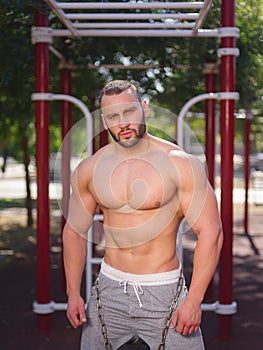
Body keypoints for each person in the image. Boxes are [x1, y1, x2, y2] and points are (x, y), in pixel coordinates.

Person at [62, 80, 223, 350]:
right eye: (113, 116)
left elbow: (211, 232)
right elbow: (74, 231)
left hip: (163, 291)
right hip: (109, 289)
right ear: (104, 121)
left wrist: (194, 300)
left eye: (129, 112)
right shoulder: (91, 168)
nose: (122, 122)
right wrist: (72, 293)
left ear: (144, 109)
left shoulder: (179, 163)